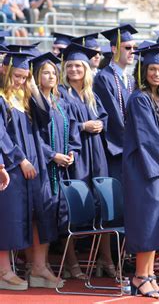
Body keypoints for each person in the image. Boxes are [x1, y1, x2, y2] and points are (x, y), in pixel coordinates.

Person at [0, 51, 61, 290]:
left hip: (33, 167)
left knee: (35, 216)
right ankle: (4, 270)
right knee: (7, 218)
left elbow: (45, 117)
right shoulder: (2, 97)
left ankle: (37, 268)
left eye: (25, 77)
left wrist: (33, 85)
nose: (21, 81)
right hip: (12, 166)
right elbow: (1, 135)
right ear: (4, 70)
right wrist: (20, 159)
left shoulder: (23, 97)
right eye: (18, 76)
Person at [123, 45, 159, 298]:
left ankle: (149, 275)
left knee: (158, 223)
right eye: (152, 69)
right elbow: (149, 139)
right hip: (144, 171)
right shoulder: (139, 99)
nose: (157, 74)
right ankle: (139, 275)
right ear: (143, 71)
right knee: (147, 223)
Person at [59, 43, 112, 279]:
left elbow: (103, 117)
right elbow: (60, 123)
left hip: (97, 154)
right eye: (69, 65)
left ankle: (106, 259)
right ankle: (71, 263)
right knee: (74, 207)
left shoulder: (91, 94)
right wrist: (83, 126)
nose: (73, 69)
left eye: (78, 65)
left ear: (86, 68)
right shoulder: (61, 93)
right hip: (77, 155)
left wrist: (101, 124)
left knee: (102, 205)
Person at [28, 52, 81, 279]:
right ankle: (37, 266)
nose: (51, 76)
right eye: (45, 73)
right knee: (41, 215)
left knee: (50, 215)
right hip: (42, 168)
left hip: (59, 170)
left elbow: (73, 130)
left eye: (53, 72)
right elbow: (32, 137)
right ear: (37, 76)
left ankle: (40, 265)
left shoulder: (60, 102)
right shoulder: (33, 102)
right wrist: (52, 155)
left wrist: (71, 151)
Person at [94, 24, 137, 183]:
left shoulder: (131, 79)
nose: (132, 51)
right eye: (127, 47)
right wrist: (133, 141)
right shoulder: (103, 78)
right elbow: (112, 116)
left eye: (134, 47)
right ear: (114, 49)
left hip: (131, 148)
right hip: (116, 150)